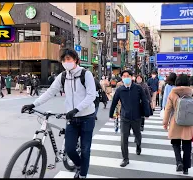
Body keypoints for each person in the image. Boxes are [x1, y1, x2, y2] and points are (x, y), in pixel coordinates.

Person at [21, 48, 96, 178]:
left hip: (86, 117)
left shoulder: (86, 74)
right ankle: (79, 165)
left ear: (76, 60)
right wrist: (33, 104)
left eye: (69, 59)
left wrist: (76, 109)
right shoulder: (62, 76)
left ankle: (83, 174)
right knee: (70, 149)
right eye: (64, 60)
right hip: (71, 118)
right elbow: (50, 92)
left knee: (85, 149)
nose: (66, 62)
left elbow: (91, 96)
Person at [109, 70, 150, 167]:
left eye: (128, 76)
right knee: (124, 138)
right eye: (124, 76)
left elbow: (144, 100)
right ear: (122, 78)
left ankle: (138, 145)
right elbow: (114, 102)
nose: (126, 78)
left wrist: (146, 113)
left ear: (132, 77)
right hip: (124, 117)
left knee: (137, 135)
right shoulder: (120, 89)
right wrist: (111, 115)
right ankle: (125, 159)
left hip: (136, 116)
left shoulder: (138, 88)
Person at [162, 74, 193, 175]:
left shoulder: (173, 93)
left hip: (176, 121)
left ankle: (179, 161)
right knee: (187, 144)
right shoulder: (192, 93)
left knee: (175, 142)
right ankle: (186, 168)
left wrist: (165, 122)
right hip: (190, 122)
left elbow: (168, 109)